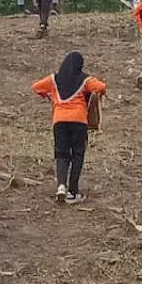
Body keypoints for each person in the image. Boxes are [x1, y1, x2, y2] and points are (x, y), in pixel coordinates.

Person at [31, 52, 106, 204]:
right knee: (78, 155)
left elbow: (36, 87)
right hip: (79, 121)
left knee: (61, 154)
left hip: (59, 121)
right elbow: (101, 87)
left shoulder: (55, 79)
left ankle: (61, 186)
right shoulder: (85, 79)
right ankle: (73, 191)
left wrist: (50, 97)